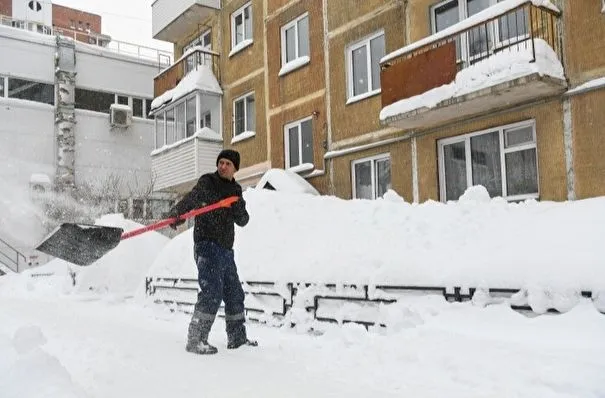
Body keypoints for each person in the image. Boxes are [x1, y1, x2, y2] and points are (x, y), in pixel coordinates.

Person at [165, 149, 257, 355]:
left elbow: (243, 221)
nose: (223, 166)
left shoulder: (236, 190)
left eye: (228, 164)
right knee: (212, 292)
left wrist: (238, 205)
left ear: (235, 168)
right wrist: (177, 213)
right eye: (221, 162)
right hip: (207, 245)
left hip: (226, 250)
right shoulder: (208, 182)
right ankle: (196, 338)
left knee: (234, 294)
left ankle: (237, 338)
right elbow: (193, 198)